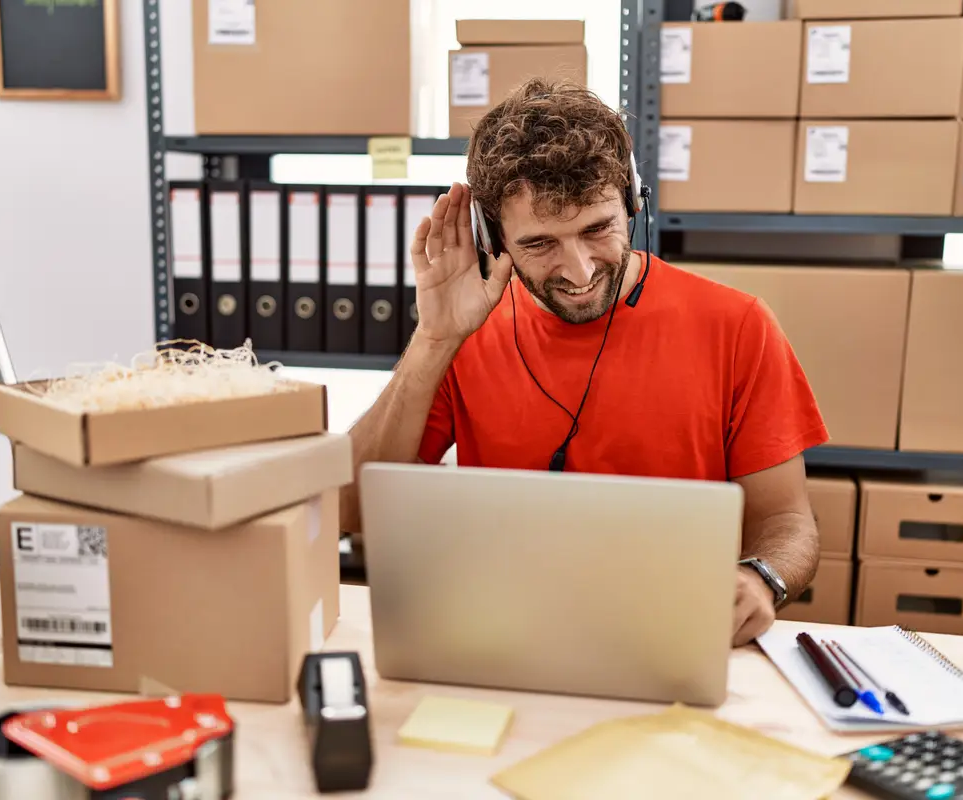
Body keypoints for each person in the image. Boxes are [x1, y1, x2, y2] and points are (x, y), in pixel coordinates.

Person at [339, 78, 829, 647]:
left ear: (633, 203)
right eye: (540, 244)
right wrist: (433, 339)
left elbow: (787, 523)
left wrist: (762, 578)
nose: (578, 271)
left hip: (673, 638)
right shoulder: (465, 332)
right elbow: (351, 507)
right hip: (498, 638)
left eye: (597, 230)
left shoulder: (738, 326)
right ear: (493, 241)